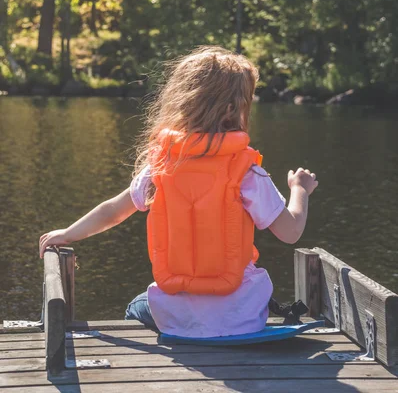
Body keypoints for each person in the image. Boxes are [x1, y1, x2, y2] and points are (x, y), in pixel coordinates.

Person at [39, 46, 318, 338]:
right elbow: (291, 232)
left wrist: (68, 233)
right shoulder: (246, 172)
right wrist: (299, 190)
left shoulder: (161, 165)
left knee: (138, 306)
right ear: (233, 109)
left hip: (174, 320)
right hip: (241, 318)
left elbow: (113, 211)